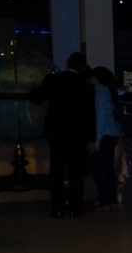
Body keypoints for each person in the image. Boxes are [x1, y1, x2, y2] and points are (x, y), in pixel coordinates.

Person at [30, 52, 95, 218]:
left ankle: (57, 207)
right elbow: (89, 114)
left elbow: (36, 97)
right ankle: (75, 207)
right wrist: (91, 138)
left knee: (57, 170)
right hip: (78, 134)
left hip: (57, 131)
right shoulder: (86, 85)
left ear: (68, 64)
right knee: (76, 171)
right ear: (82, 67)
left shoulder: (53, 80)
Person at [89, 66, 122, 210]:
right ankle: (111, 201)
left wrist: (96, 141)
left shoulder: (100, 93)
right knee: (108, 169)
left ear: (96, 78)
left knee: (98, 170)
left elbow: (100, 119)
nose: (90, 79)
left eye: (92, 77)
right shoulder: (108, 92)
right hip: (111, 134)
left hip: (104, 136)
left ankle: (105, 201)